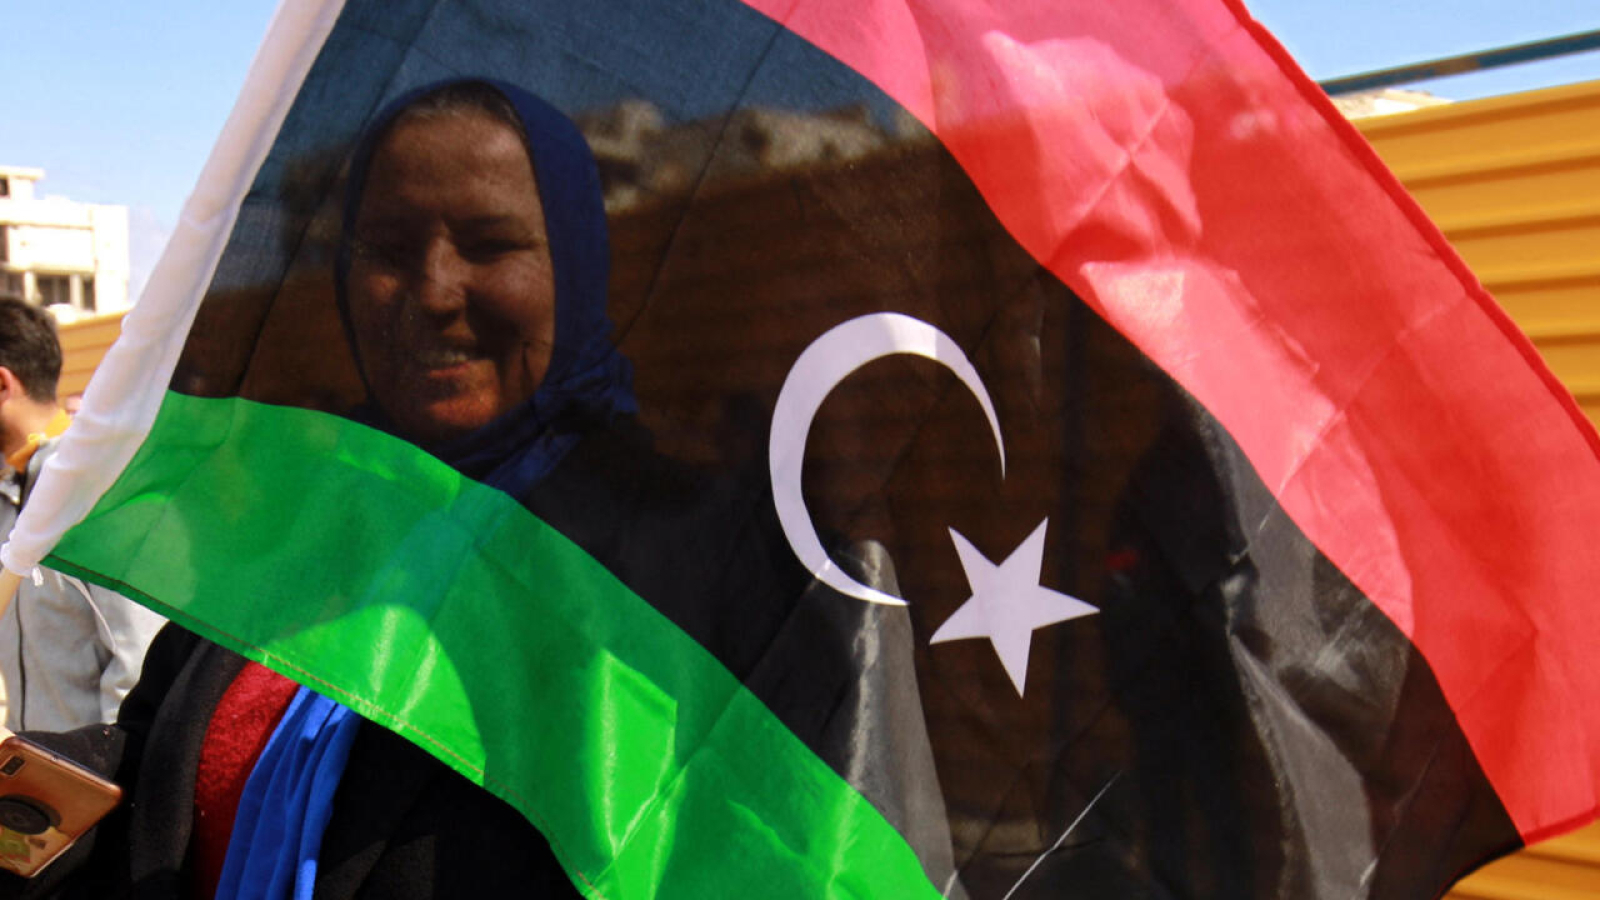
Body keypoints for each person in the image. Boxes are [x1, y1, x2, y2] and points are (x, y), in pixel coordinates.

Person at [2, 80, 625, 899]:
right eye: (391, 249)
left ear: (577, 268)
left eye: (488, 242)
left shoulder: (652, 575)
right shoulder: (307, 523)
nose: (434, 290)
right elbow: (151, 758)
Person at [0, 298, 165, 733]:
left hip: (97, 786)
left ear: (3, 385)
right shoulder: (10, 490)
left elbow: (139, 660)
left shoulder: (99, 489)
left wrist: (103, 784)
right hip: (36, 782)